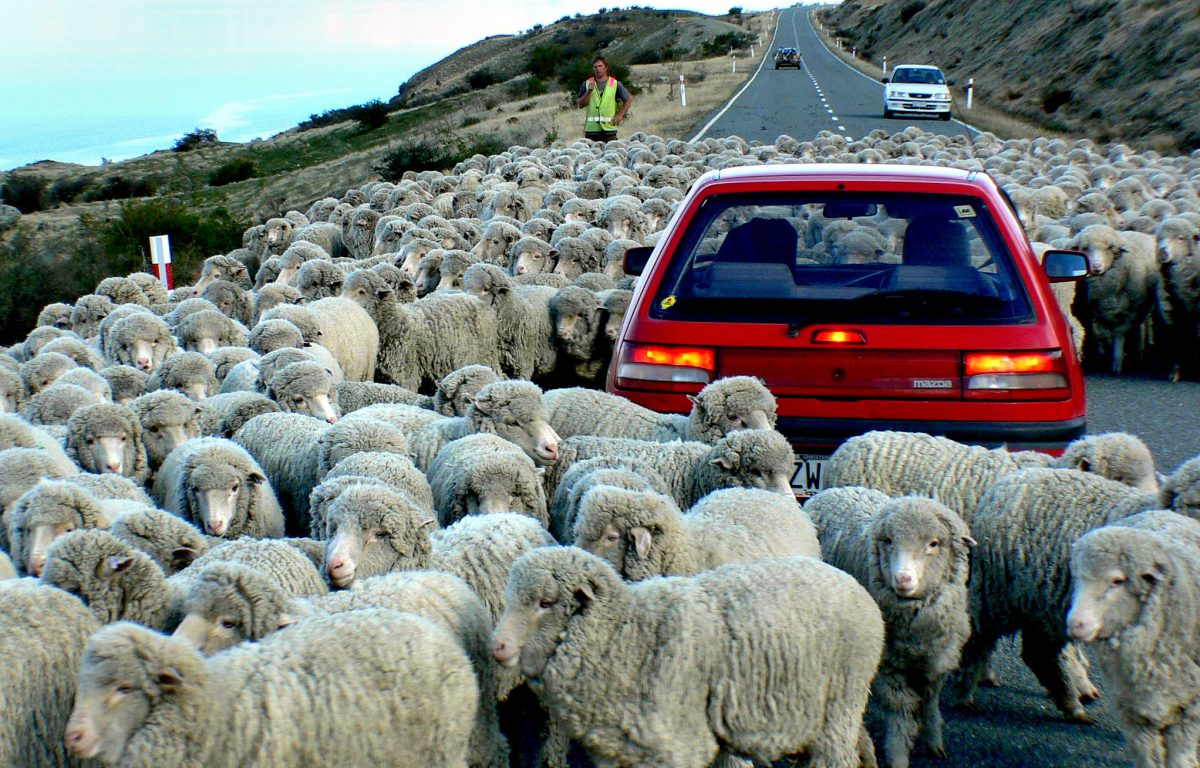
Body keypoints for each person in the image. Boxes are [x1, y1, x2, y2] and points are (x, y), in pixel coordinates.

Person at [576, 56, 631, 143]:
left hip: (609, 131)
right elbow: (580, 105)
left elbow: (628, 99)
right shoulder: (586, 84)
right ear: (593, 69)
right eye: (595, 67)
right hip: (591, 131)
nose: (598, 69)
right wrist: (588, 91)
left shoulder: (615, 83)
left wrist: (620, 115)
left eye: (600, 66)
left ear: (606, 67)